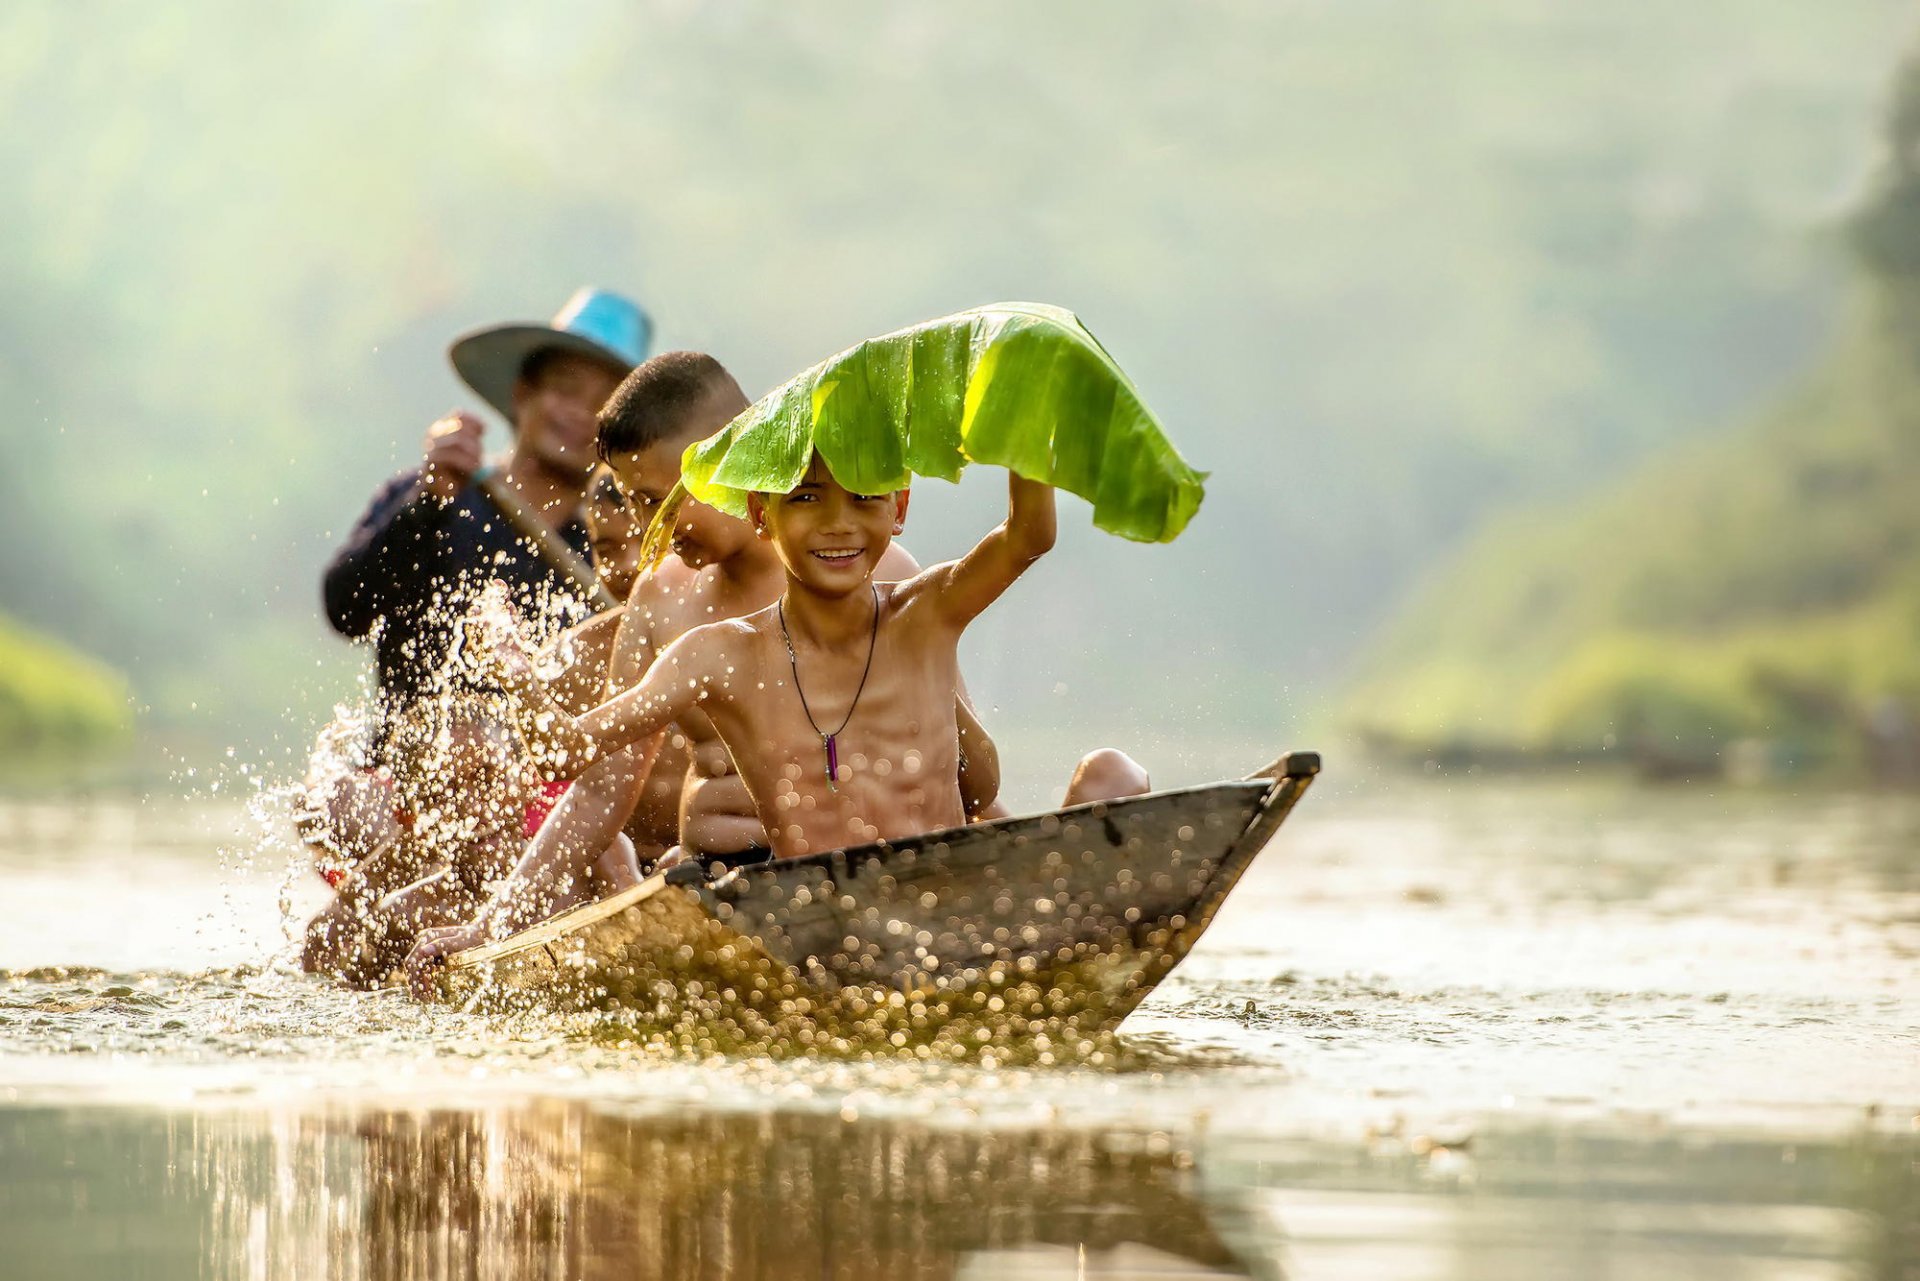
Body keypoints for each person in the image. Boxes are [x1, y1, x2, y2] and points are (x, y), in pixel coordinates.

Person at [402, 353, 1022, 973]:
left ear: (738, 465)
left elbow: (962, 771)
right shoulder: (661, 598)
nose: (651, 529)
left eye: (659, 500)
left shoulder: (873, 572)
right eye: (633, 503)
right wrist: (493, 924)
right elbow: (600, 787)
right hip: (731, 888)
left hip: (873, 879)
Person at [488, 454, 1143, 864]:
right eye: (806, 497)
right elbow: (565, 751)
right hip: (820, 912)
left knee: (1116, 773)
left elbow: (1029, 535)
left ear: (900, 509)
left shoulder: (928, 609)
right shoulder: (718, 654)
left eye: (863, 498)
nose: (838, 525)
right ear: (761, 513)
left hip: (951, 885)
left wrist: (1026, 428)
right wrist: (517, 676)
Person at [311, 287, 649, 862]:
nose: (578, 415)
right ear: (523, 396)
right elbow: (345, 610)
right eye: (566, 390)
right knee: (336, 805)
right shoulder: (435, 497)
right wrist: (426, 502)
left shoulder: (622, 540)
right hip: (407, 780)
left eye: (603, 404)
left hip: (548, 796)